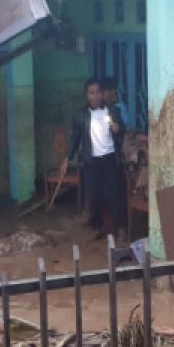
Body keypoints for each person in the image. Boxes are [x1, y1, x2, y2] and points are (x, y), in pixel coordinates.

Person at [68, 79, 126, 241]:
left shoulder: (112, 110)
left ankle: (120, 227)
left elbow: (122, 130)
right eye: (91, 92)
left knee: (115, 195)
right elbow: (75, 138)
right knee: (94, 196)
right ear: (87, 95)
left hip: (110, 159)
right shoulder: (81, 115)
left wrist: (117, 128)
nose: (95, 96)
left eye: (97, 92)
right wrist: (68, 157)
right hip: (91, 161)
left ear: (102, 93)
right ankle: (97, 226)